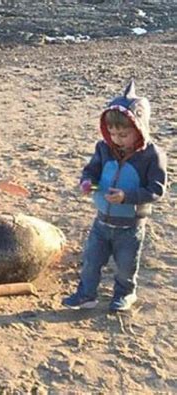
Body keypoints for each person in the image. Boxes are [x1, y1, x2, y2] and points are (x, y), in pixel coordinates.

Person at [62, 80, 167, 312]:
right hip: (101, 221)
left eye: (123, 134)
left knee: (126, 266)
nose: (117, 138)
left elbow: (156, 190)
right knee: (91, 261)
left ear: (140, 128)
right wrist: (87, 182)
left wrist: (127, 196)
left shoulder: (152, 156)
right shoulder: (104, 148)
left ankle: (125, 294)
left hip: (130, 226)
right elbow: (91, 171)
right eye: (112, 132)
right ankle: (86, 294)